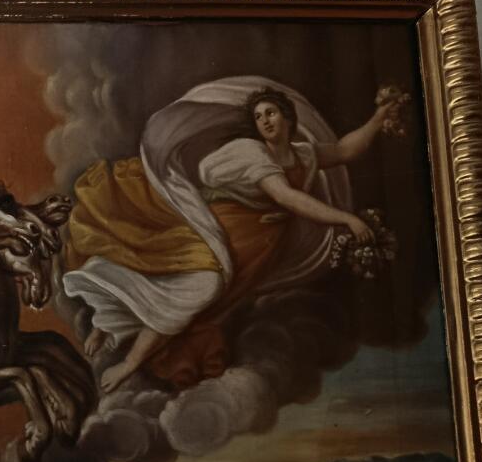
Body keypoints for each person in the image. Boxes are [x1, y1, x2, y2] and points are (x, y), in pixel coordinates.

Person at [62, 78, 402, 394]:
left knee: (190, 303)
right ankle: (125, 358)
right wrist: (346, 219)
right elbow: (287, 197)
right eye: (258, 117)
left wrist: (377, 119)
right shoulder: (253, 154)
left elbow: (343, 151)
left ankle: (112, 327)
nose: (265, 121)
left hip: (257, 249)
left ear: (288, 117)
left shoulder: (303, 154)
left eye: (271, 113)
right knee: (188, 291)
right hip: (225, 233)